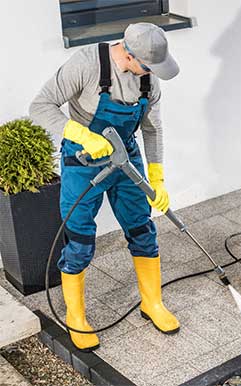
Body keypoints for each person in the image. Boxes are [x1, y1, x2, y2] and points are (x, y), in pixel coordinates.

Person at [29, 22, 180, 352]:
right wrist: (81, 134)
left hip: (127, 158)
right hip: (83, 162)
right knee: (80, 240)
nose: (152, 74)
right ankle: (77, 317)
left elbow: (152, 129)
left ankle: (151, 303)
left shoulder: (149, 80)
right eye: (147, 66)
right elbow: (39, 106)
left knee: (142, 230)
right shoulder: (85, 65)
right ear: (127, 55)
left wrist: (156, 175)